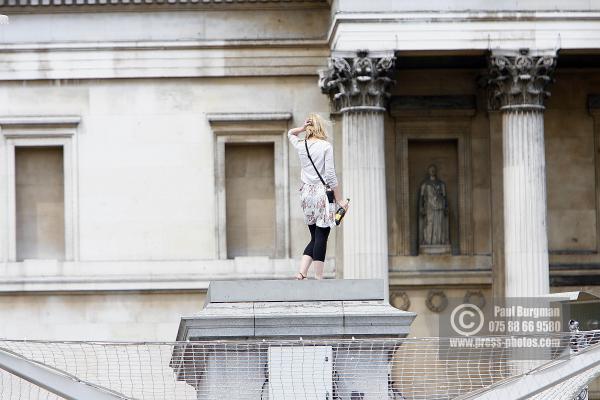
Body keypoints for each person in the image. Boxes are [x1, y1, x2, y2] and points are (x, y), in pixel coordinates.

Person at [288, 113, 348, 280]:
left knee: (314, 236)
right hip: (322, 194)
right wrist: (339, 200)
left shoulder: (301, 145)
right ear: (321, 127)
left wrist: (300, 128)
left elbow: (290, 133)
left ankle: (302, 272)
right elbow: (330, 175)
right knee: (322, 235)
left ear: (308, 127)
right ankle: (319, 277)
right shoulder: (325, 146)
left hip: (306, 194)